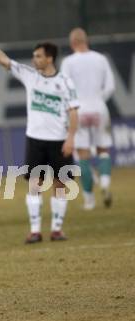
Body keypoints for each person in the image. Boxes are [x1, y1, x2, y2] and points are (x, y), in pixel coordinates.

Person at [0, 16, 79, 244]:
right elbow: (3, 60)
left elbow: (74, 112)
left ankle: (56, 229)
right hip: (36, 139)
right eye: (34, 56)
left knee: (60, 184)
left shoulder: (65, 82)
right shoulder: (29, 75)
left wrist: (71, 138)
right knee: (35, 184)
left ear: (50, 58)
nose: (34, 59)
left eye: (38, 56)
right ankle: (35, 230)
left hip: (59, 140)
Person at [61, 28, 115, 210]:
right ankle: (105, 182)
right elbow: (110, 87)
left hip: (79, 110)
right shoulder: (101, 59)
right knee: (102, 149)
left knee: (82, 154)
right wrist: (98, 100)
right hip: (99, 107)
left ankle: (89, 200)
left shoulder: (68, 62)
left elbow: (63, 89)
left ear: (72, 43)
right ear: (87, 40)